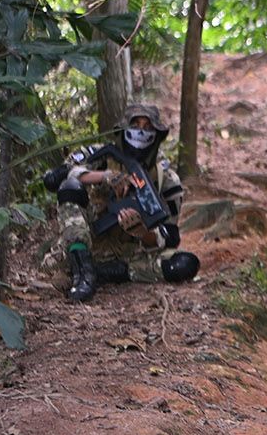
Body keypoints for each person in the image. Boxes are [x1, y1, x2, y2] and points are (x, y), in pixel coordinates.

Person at [49, 103, 200, 301]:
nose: (141, 132)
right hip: (90, 240)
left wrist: (142, 231)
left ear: (157, 133)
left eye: (147, 127)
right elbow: (55, 178)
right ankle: (82, 273)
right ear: (124, 128)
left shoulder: (166, 178)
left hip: (131, 253)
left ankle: (106, 272)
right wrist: (105, 176)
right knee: (70, 187)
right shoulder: (102, 154)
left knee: (185, 264)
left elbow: (170, 236)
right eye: (136, 125)